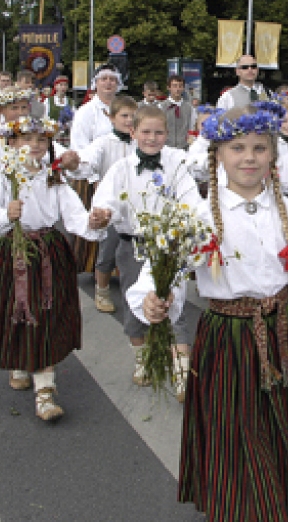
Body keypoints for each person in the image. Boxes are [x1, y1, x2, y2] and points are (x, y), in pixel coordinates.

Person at [129, 102, 288, 522]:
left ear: (272, 155)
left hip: (283, 335)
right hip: (226, 340)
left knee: (275, 438)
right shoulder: (195, 215)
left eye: (259, 148)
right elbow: (160, 274)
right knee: (238, 440)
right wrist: (154, 299)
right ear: (218, 156)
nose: (249, 157)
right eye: (237, 148)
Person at [0, 117, 109, 421]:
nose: (35, 146)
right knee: (17, 310)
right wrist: (5, 214)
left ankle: (45, 392)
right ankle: (20, 359)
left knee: (44, 315)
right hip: (14, 253)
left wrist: (94, 222)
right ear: (11, 144)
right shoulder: (2, 178)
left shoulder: (53, 179)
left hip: (49, 252)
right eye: (27, 139)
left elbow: (75, 217)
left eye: (41, 140)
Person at [92, 104, 200, 399]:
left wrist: (194, 219)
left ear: (167, 134)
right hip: (132, 247)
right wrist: (103, 212)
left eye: (159, 132)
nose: (152, 138)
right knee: (135, 304)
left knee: (172, 306)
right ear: (133, 132)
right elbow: (108, 200)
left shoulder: (176, 166)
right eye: (146, 132)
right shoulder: (121, 168)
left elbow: (191, 198)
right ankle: (143, 360)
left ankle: (181, 372)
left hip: (168, 248)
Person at [75, 95, 139, 315]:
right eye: (124, 115)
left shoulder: (140, 142)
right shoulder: (103, 143)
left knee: (134, 251)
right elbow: (89, 161)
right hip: (111, 207)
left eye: (133, 116)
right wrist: (83, 165)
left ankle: (135, 292)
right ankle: (101, 290)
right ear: (111, 118)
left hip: (135, 207)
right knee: (108, 251)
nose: (129, 120)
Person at [69, 65, 123, 272]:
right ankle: (96, 270)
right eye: (104, 79)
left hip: (119, 175)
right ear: (96, 83)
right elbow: (80, 147)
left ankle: (117, 269)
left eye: (112, 79)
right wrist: (94, 179)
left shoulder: (123, 109)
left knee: (119, 223)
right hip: (93, 176)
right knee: (97, 223)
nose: (108, 83)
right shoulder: (86, 112)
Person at [161, 74, 194, 150]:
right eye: (175, 86)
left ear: (183, 88)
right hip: (165, 148)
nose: (178, 89)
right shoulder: (161, 107)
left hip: (184, 148)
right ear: (168, 88)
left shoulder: (189, 108)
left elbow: (192, 128)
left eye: (180, 86)